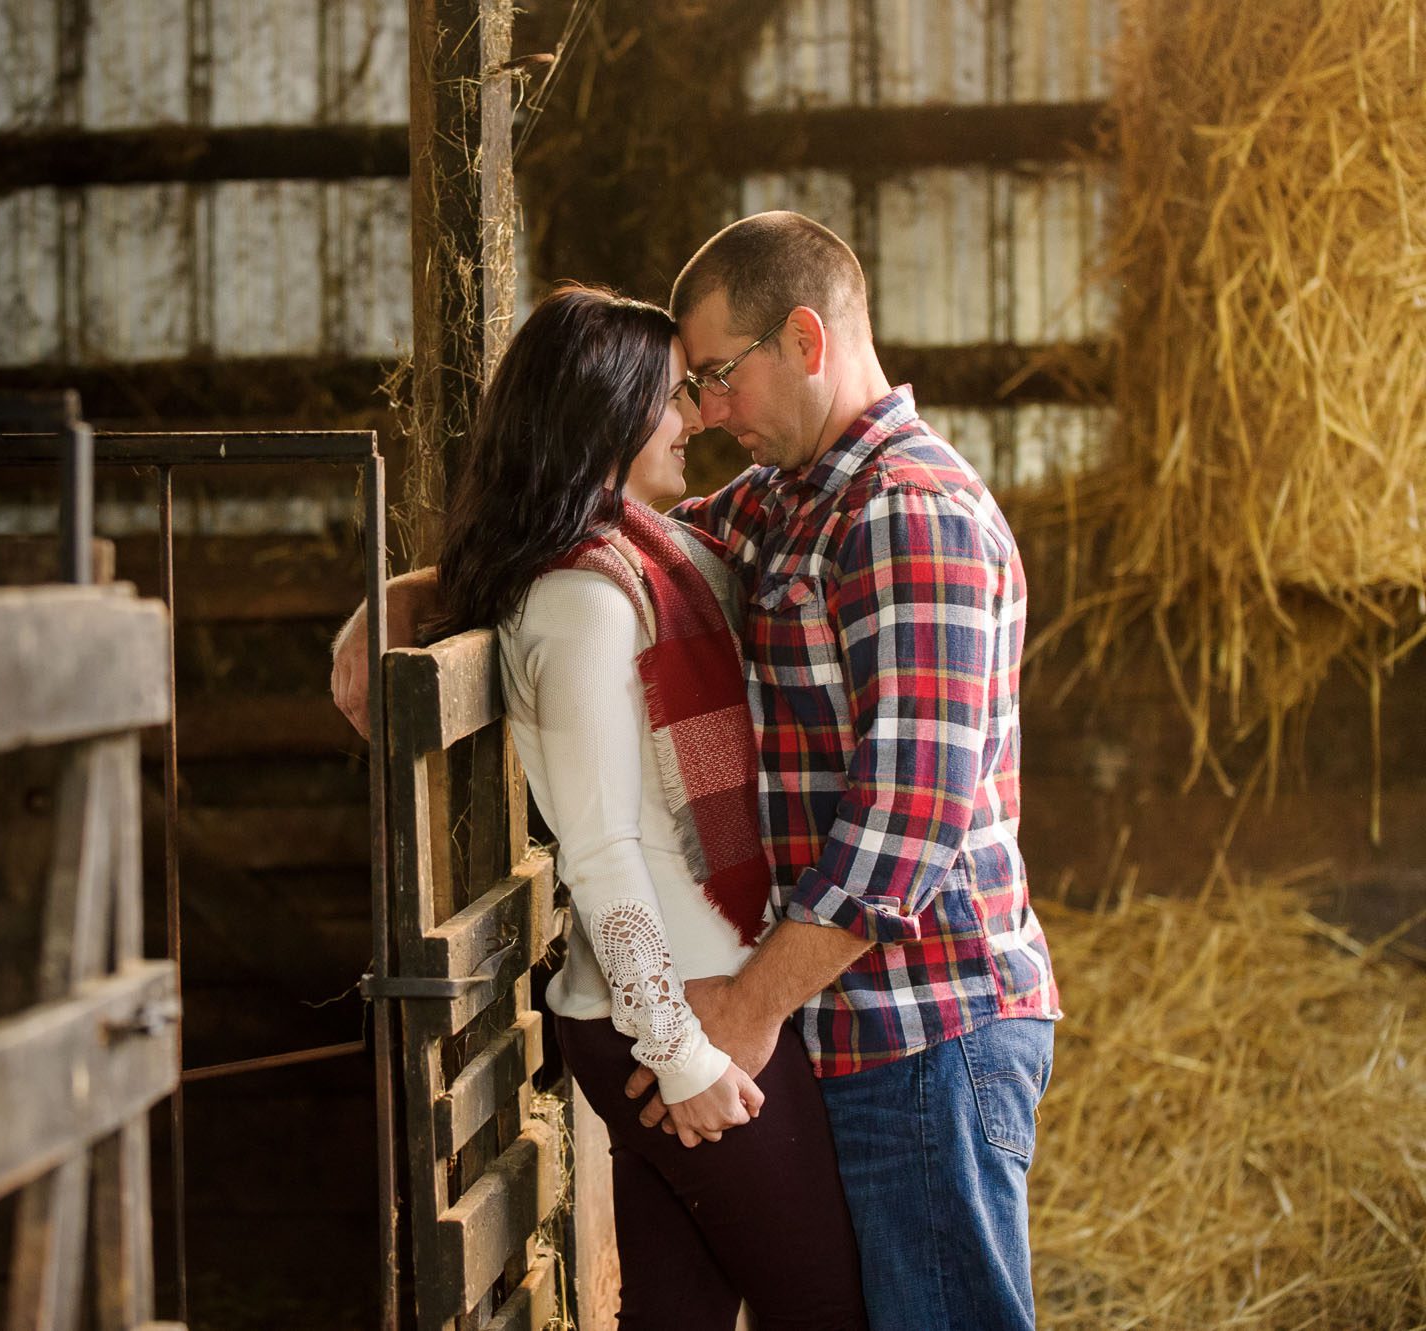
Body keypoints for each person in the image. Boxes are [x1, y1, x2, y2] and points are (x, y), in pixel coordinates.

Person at [333, 213, 1061, 1331]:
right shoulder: (786, 502)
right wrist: (418, 590)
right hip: (836, 1008)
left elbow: (903, 830)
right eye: (688, 386)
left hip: (925, 1023)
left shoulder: (906, 514)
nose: (705, 413)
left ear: (806, 340)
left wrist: (737, 1011)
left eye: (717, 376)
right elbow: (595, 534)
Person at [430, 283, 868, 1329]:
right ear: (611, 411)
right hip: (670, 1016)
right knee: (828, 1308)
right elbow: (600, 851)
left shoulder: (650, 557)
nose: (693, 418)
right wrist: (679, 1053)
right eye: (672, 397)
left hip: (680, 998)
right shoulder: (578, 600)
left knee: (673, 1311)